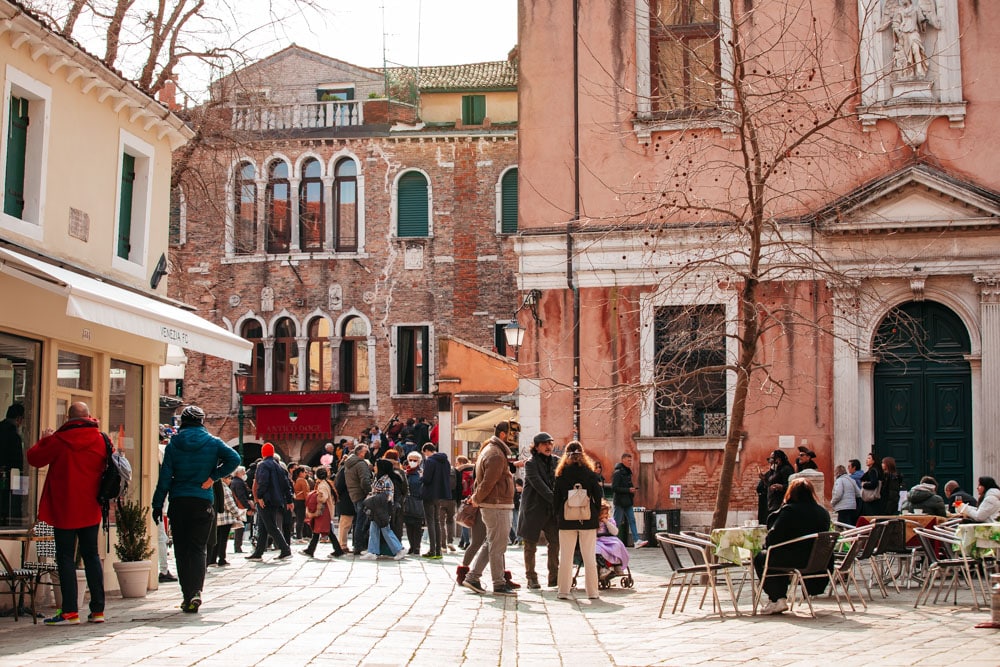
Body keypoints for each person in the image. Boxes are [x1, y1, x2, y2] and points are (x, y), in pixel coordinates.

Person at [152, 405, 240, 613]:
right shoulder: (212, 442)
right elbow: (234, 459)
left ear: (183, 422)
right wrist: (213, 477)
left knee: (182, 551)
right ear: (201, 422)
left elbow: (164, 478)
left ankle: (186, 594)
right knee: (199, 548)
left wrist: (157, 505)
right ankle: (196, 592)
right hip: (202, 501)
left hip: (179, 501)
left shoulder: (174, 445)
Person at [26, 402, 107, 624]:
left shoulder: (58, 441)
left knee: (65, 557)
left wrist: (45, 438)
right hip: (91, 506)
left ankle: (70, 611)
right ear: (88, 416)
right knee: (91, 555)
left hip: (64, 508)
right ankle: (98, 610)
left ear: (68, 419)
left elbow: (34, 458)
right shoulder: (101, 440)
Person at [753, 478, 831, 615]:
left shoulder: (789, 511)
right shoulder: (823, 512)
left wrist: (766, 546)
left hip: (797, 559)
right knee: (773, 555)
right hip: (819, 561)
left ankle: (777, 598)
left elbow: (773, 538)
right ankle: (778, 597)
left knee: (762, 556)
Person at [462, 421, 517, 597]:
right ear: (503, 434)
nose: (514, 438)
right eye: (512, 434)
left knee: (492, 543)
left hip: (496, 504)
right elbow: (488, 482)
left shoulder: (493, 451)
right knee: (497, 546)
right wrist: (476, 500)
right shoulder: (496, 454)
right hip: (496, 505)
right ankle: (499, 583)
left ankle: (473, 577)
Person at [553, 441, 604, 600]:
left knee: (566, 557)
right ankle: (593, 592)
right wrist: (594, 512)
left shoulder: (561, 474)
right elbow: (598, 495)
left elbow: (555, 499)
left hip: (566, 521)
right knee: (589, 557)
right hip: (587, 520)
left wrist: (559, 515)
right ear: (582, 454)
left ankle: (563, 591)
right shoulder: (590, 473)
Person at [518, 431, 560, 590]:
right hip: (533, 509)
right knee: (530, 545)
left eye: (550, 443)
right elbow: (538, 484)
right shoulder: (530, 463)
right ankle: (531, 578)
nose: (548, 446)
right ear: (536, 447)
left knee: (555, 543)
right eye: (544, 444)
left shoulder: (557, 461)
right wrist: (556, 499)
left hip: (551, 510)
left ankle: (554, 577)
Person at [245, 442, 294, 563]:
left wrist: (260, 496)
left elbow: (263, 481)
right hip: (277, 499)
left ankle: (285, 549)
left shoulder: (263, 465)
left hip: (266, 499)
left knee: (271, 526)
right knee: (263, 526)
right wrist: (289, 500)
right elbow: (286, 484)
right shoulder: (279, 466)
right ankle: (258, 552)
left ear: (263, 453)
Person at [360, 459, 407, 560]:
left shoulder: (384, 480)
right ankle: (372, 551)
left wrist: (373, 499)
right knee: (374, 529)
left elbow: (388, 496)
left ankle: (399, 549)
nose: (374, 467)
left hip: (381, 508)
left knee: (385, 529)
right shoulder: (380, 478)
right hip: (378, 508)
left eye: (376, 465)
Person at [301, 466, 344, 558]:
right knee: (322, 530)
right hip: (325, 510)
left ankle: (312, 549)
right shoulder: (326, 483)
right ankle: (336, 550)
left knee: (320, 530)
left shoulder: (323, 485)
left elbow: (323, 498)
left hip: (324, 510)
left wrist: (316, 496)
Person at [420, 442, 451, 559]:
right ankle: (439, 551)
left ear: (427, 450)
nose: (425, 455)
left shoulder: (430, 461)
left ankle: (432, 550)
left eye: (425, 453)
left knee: (430, 522)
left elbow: (427, 479)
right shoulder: (446, 461)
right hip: (440, 494)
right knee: (437, 521)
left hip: (429, 494)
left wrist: (421, 476)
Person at [611, 452, 646, 548]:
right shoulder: (617, 473)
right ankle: (611, 540)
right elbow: (614, 488)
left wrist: (632, 490)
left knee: (632, 520)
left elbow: (627, 485)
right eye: (628, 460)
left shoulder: (628, 472)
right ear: (623, 460)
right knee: (616, 522)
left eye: (631, 460)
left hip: (628, 501)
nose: (630, 462)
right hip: (619, 502)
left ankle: (636, 540)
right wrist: (628, 490)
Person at [343, 443, 372, 554]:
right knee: (362, 521)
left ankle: (357, 544)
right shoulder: (361, 464)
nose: (367, 453)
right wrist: (369, 493)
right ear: (360, 452)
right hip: (361, 495)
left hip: (353, 494)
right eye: (366, 451)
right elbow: (365, 481)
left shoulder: (349, 464)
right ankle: (359, 546)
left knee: (358, 520)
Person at [210, 476, 243, 566]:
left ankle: (212, 559)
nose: (230, 480)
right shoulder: (224, 488)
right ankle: (222, 558)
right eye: (229, 478)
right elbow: (229, 504)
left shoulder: (215, 486)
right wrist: (237, 514)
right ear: (224, 479)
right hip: (225, 518)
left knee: (216, 539)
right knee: (223, 539)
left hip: (217, 518)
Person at [0, 403, 24, 524]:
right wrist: (22, 487)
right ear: (19, 419)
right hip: (11, 477)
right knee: (10, 508)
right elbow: (18, 462)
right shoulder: (14, 435)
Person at [756, 450, 794, 525]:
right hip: (772, 504)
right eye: (769, 459)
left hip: (781, 504)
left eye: (772, 459)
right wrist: (763, 479)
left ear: (778, 459)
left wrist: (781, 487)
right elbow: (769, 486)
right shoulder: (774, 471)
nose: (770, 461)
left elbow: (791, 486)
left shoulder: (786, 469)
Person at [595, 500, 630, 578]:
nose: (604, 515)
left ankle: (617, 565)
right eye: (602, 514)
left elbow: (615, 532)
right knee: (597, 549)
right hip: (597, 540)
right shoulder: (594, 522)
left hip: (609, 539)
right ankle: (603, 567)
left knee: (617, 545)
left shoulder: (610, 521)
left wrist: (607, 523)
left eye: (606, 513)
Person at [403, 452, 425, 555]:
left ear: (419, 461)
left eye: (415, 460)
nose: (412, 462)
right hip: (407, 502)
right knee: (408, 525)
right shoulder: (405, 473)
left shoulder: (421, 473)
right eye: (410, 460)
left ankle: (417, 547)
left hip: (418, 502)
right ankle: (412, 546)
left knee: (417, 526)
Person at [229, 466, 253, 554]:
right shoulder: (239, 482)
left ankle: (238, 546)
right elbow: (241, 496)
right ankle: (238, 547)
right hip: (241, 507)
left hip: (239, 506)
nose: (245, 474)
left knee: (239, 527)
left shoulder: (236, 482)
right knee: (240, 527)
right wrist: (248, 507)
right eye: (243, 472)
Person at [334, 460, 355, 549]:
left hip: (347, 500)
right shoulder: (344, 470)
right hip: (345, 501)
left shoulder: (344, 470)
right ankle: (342, 545)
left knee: (346, 524)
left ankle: (342, 544)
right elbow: (339, 486)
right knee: (345, 524)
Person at [292, 467, 310, 541]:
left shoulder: (295, 480)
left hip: (296, 501)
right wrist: (308, 502)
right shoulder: (302, 480)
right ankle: (299, 537)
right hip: (301, 501)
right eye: (305, 472)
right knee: (300, 520)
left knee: (299, 519)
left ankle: (299, 536)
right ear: (300, 473)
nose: (306, 473)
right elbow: (306, 492)